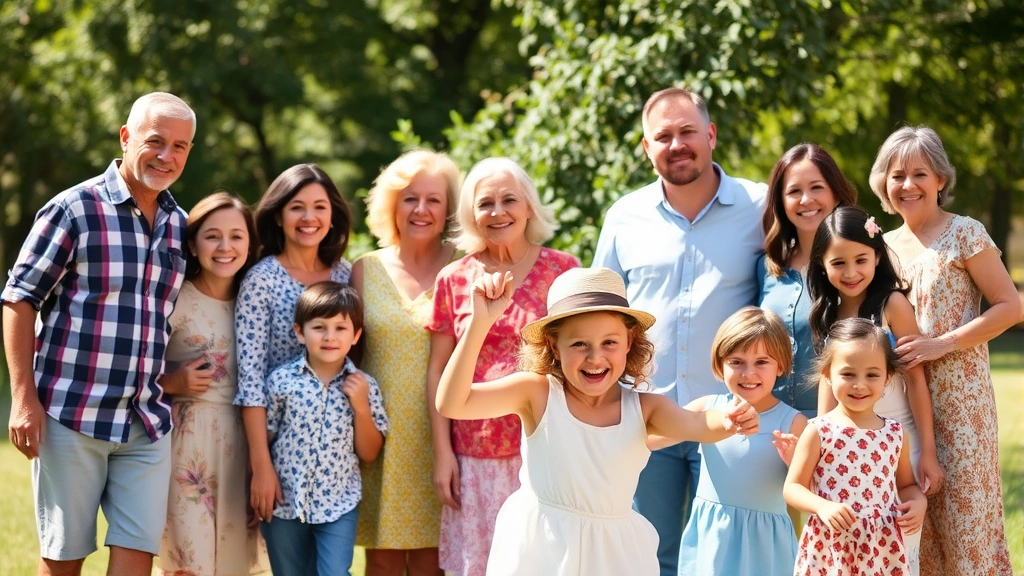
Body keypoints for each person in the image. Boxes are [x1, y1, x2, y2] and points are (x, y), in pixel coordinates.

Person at [435, 267, 761, 576]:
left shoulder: (645, 408)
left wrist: (730, 420)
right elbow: (453, 402)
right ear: (554, 346)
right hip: (542, 549)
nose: (595, 357)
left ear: (629, 343)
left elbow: (697, 424)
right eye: (579, 344)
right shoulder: (537, 393)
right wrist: (480, 322)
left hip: (613, 554)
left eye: (609, 343)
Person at [2, 92, 194, 576]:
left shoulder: (180, 226)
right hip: (72, 416)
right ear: (126, 138)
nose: (166, 156)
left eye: (180, 146)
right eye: (155, 142)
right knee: (63, 561)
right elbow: (19, 299)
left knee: (136, 560)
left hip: (146, 423)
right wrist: (23, 399)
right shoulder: (74, 209)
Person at [592, 86, 766, 574]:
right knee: (648, 554)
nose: (677, 144)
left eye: (687, 131)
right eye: (662, 136)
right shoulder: (624, 217)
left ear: (710, 135)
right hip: (644, 418)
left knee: (725, 558)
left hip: (734, 418)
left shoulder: (760, 206)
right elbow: (603, 309)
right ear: (647, 148)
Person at [868, 126, 1020, 575]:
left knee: (966, 527)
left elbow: (1011, 306)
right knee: (912, 531)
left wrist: (942, 344)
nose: (908, 185)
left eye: (920, 173)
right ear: (884, 183)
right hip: (898, 406)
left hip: (961, 406)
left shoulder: (965, 233)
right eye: (897, 175)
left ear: (940, 180)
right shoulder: (880, 247)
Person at [425, 157, 579, 576]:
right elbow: (437, 371)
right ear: (471, 214)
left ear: (528, 206)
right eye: (485, 203)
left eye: (509, 199)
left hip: (546, 450)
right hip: (473, 454)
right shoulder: (453, 278)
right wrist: (443, 454)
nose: (497, 212)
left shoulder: (563, 271)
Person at [805, 206, 943, 574]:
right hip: (845, 447)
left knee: (894, 548)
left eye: (861, 260)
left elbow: (916, 379)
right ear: (821, 264)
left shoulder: (892, 305)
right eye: (838, 263)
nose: (851, 273)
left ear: (878, 255)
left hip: (896, 442)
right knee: (847, 552)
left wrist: (927, 451)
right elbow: (827, 382)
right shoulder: (826, 312)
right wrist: (822, 441)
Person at [351, 150, 461, 576]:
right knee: (382, 560)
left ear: (449, 207)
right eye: (409, 198)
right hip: (382, 437)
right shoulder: (365, 270)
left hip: (449, 436)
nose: (421, 209)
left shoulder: (464, 267)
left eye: (433, 199)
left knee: (438, 560)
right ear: (391, 205)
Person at [233, 163, 354, 526]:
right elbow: (250, 379)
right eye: (297, 207)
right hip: (273, 443)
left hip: (331, 450)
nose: (309, 217)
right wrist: (261, 467)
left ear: (333, 216)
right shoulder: (261, 279)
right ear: (279, 215)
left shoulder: (345, 275)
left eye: (319, 206)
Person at [156, 192, 269, 575]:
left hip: (245, 443)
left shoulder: (254, 299)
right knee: (190, 561)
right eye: (212, 236)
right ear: (192, 243)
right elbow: (133, 370)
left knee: (235, 562)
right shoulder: (174, 299)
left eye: (237, 236)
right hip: (187, 446)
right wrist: (173, 381)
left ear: (250, 243)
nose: (225, 247)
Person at [260, 282, 389, 576]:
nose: (330, 337)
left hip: (339, 504)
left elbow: (369, 453)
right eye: (319, 327)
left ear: (355, 335)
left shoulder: (364, 386)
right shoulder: (281, 381)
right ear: (299, 332)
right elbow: (265, 437)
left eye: (341, 328)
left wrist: (360, 406)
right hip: (285, 503)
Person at [784, 318, 928, 576]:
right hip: (830, 545)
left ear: (888, 377)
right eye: (848, 374)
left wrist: (919, 502)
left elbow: (906, 485)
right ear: (827, 374)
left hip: (879, 547)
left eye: (872, 375)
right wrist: (822, 506)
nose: (859, 384)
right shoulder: (818, 430)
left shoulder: (895, 433)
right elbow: (793, 488)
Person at [677, 307, 807, 576]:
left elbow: (811, 492)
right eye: (736, 362)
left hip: (765, 545)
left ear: (780, 365)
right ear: (719, 364)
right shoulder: (706, 408)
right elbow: (651, 437)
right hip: (713, 538)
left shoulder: (793, 423)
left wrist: (796, 463)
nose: (748, 373)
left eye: (762, 362)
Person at [757, 143, 858, 418]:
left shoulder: (859, 266)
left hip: (837, 426)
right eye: (794, 191)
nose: (805, 200)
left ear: (836, 193)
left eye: (816, 187)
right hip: (771, 425)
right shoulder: (766, 267)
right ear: (781, 201)